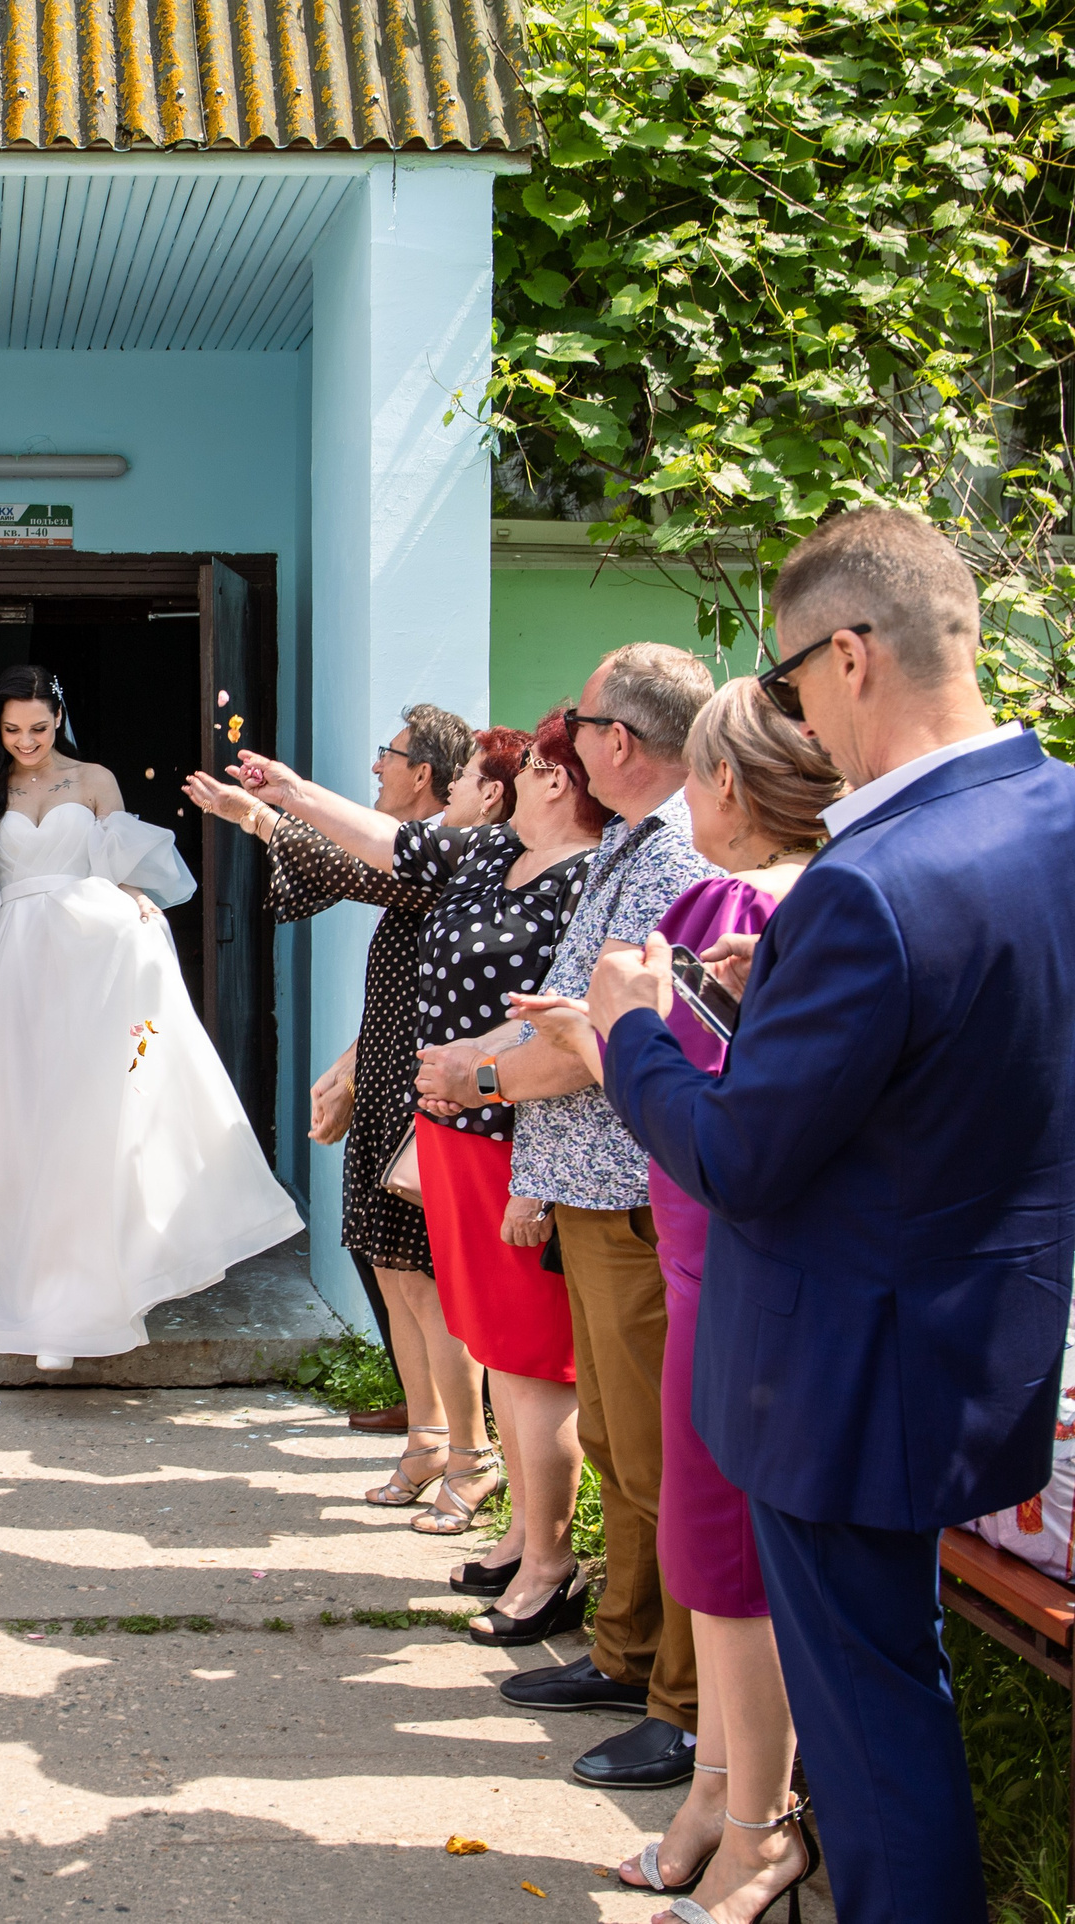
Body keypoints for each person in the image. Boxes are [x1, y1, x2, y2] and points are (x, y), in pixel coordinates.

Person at [595, 509, 1075, 1924]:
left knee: (872, 1735)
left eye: (794, 683)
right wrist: (780, 1006)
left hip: (839, 1371)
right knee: (891, 1683)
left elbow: (738, 1157)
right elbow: (977, 1051)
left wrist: (633, 1032)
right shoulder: (1049, 817)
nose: (799, 715)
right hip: (974, 1339)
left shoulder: (872, 880)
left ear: (851, 655)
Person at [515, 675, 839, 1919]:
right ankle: (717, 1793)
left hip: (737, 1262)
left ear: (727, 787)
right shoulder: (746, 904)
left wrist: (614, 1027)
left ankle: (755, 1818)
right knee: (712, 1553)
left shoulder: (751, 905)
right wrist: (609, 1029)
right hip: (707, 1254)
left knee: (728, 1558)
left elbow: (711, 1118)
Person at [408, 643, 719, 1791]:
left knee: (652, 1456)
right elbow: (564, 1008)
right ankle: (627, 1650)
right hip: (589, 1182)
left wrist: (483, 1082)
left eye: (580, 723)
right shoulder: (635, 846)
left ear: (617, 742)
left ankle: (678, 1701)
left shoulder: (668, 853)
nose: (569, 742)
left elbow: (607, 1031)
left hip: (634, 1190)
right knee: (622, 1450)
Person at [224, 719, 600, 1598]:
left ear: (543, 784)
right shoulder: (483, 861)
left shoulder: (586, 876)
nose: (477, 785)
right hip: (446, 1121)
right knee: (484, 1330)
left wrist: (487, 1068)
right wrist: (286, 791)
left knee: (522, 1341)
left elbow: (566, 1007)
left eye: (495, 771)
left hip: (519, 1129)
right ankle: (517, 1528)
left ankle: (539, 1544)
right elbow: (385, 841)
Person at [0, 667, 302, 1366]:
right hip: (9, 965)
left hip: (88, 956)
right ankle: (22, 1284)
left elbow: (117, 866)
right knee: (14, 1118)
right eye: (11, 730)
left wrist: (134, 901)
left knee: (86, 1114)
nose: (25, 742)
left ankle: (84, 1289)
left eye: (37, 727)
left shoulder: (94, 780)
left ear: (57, 719)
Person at [192, 704, 474, 1471]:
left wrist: (261, 812)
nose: (376, 766)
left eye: (389, 754)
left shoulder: (451, 855)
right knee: (387, 1258)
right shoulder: (419, 857)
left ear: (424, 775)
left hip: (421, 1087)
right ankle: (427, 1425)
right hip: (384, 1071)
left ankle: (457, 1439)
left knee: (419, 1271)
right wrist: (353, 1060)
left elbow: (350, 866)